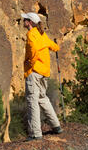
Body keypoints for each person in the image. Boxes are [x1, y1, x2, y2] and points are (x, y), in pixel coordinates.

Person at [22, 12, 63, 141]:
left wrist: (31, 62)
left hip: (34, 72)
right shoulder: (42, 34)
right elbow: (54, 47)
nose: (22, 21)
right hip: (44, 73)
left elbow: (33, 49)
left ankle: (35, 133)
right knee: (42, 98)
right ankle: (56, 126)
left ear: (30, 22)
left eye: (25, 19)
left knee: (32, 101)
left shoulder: (31, 34)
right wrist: (55, 46)